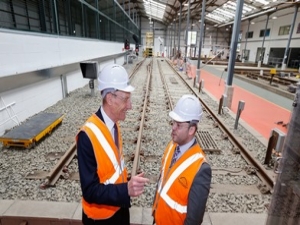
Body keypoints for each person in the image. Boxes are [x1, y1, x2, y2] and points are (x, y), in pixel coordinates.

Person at [76, 64, 149, 225]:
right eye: (126, 99)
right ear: (110, 98)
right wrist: (126, 190)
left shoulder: (113, 125)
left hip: (119, 208)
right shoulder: (87, 136)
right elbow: (89, 191)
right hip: (100, 219)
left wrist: (126, 187)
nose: (129, 106)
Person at [152, 94, 212, 225]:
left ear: (191, 130)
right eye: (173, 122)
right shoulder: (171, 146)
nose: (173, 128)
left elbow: (194, 220)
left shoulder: (201, 169)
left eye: (179, 125)